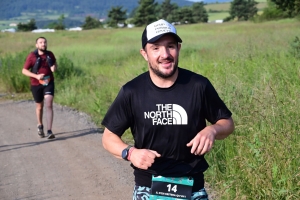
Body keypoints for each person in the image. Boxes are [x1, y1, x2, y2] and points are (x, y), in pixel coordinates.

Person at [101, 19, 234, 200]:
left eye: (170, 46)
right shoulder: (132, 91)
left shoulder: (198, 85)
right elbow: (108, 137)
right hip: (148, 187)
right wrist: (130, 153)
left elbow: (227, 123)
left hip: (193, 186)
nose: (165, 54)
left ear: (178, 49)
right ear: (144, 54)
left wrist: (213, 129)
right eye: (156, 48)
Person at [22, 36, 57, 139]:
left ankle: (49, 131)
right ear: (36, 45)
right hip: (36, 84)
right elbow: (24, 70)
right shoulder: (32, 56)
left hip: (49, 82)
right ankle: (40, 125)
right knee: (39, 106)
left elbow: (54, 65)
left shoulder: (50, 54)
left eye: (45, 42)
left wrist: (54, 67)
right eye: (41, 42)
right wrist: (36, 76)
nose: (43, 44)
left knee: (49, 103)